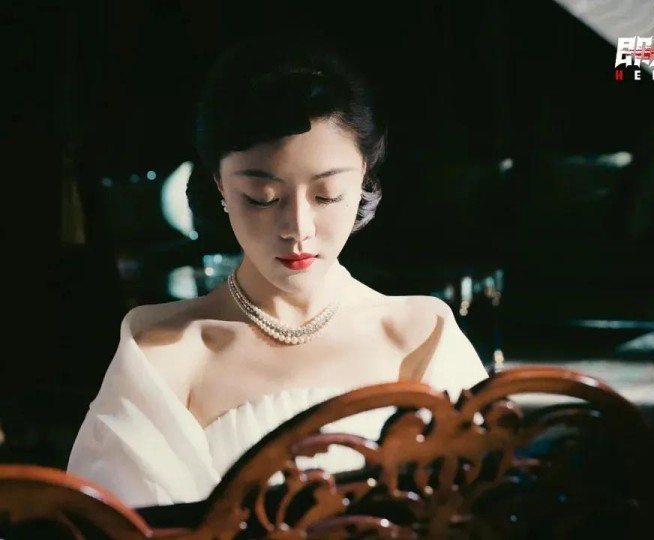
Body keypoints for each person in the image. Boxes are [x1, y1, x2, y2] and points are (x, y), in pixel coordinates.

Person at [66, 37, 489, 509]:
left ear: (364, 179)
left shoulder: (421, 337)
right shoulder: (166, 356)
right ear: (220, 186)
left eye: (327, 195)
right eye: (261, 199)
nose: (298, 229)